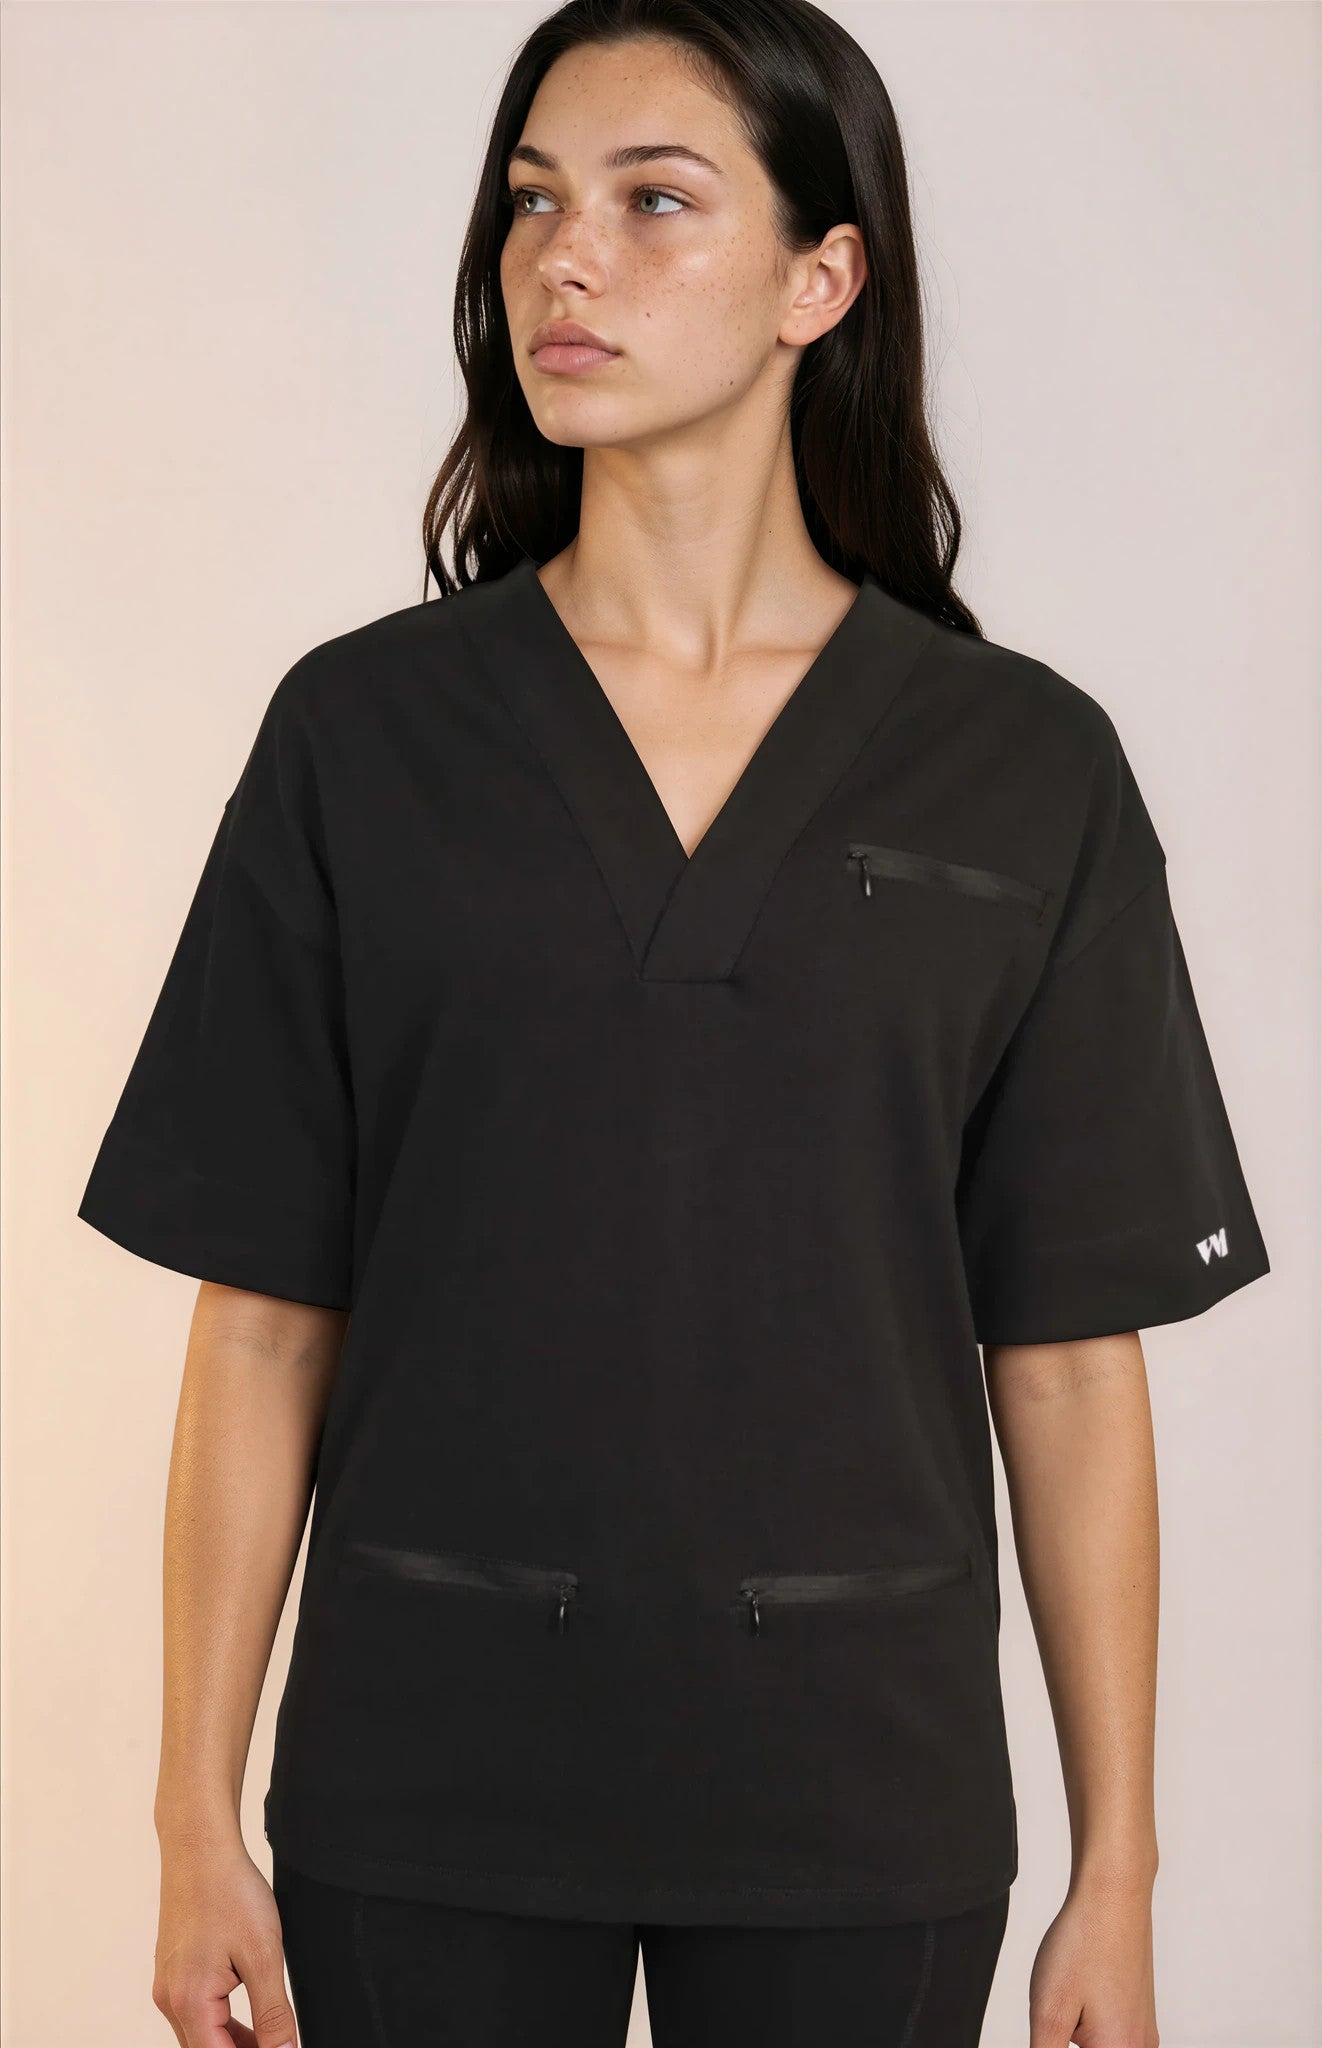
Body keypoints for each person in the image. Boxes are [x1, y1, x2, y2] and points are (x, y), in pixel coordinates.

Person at [76, 3, 1271, 2045]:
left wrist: (1118, 1871)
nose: (563, 258)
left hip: (858, 1789)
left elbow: (1072, 1360)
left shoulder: (1022, 769)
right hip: (424, 1777)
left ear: (821, 279)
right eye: (533, 201)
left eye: (653, 202)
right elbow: (264, 1313)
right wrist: (192, 1815)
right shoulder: (362, 738)